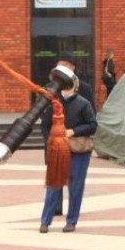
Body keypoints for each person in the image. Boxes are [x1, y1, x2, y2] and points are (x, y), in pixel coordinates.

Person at [39, 76, 97, 233]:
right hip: (57, 151)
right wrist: (51, 141)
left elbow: (93, 125)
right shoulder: (53, 104)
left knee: (76, 187)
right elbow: (45, 126)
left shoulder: (83, 103)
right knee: (53, 185)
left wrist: (73, 131)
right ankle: (45, 220)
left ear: (75, 85)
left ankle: (71, 220)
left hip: (78, 151)